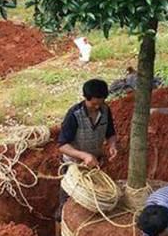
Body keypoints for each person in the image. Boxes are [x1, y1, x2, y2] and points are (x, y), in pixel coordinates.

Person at [55, 78, 117, 233]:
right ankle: (60, 230)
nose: (97, 107)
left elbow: (111, 133)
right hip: (73, 167)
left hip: (94, 164)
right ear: (85, 98)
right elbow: (62, 145)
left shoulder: (105, 110)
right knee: (66, 205)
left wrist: (112, 145)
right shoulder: (74, 115)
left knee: (91, 203)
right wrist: (83, 156)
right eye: (93, 104)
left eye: (100, 103)